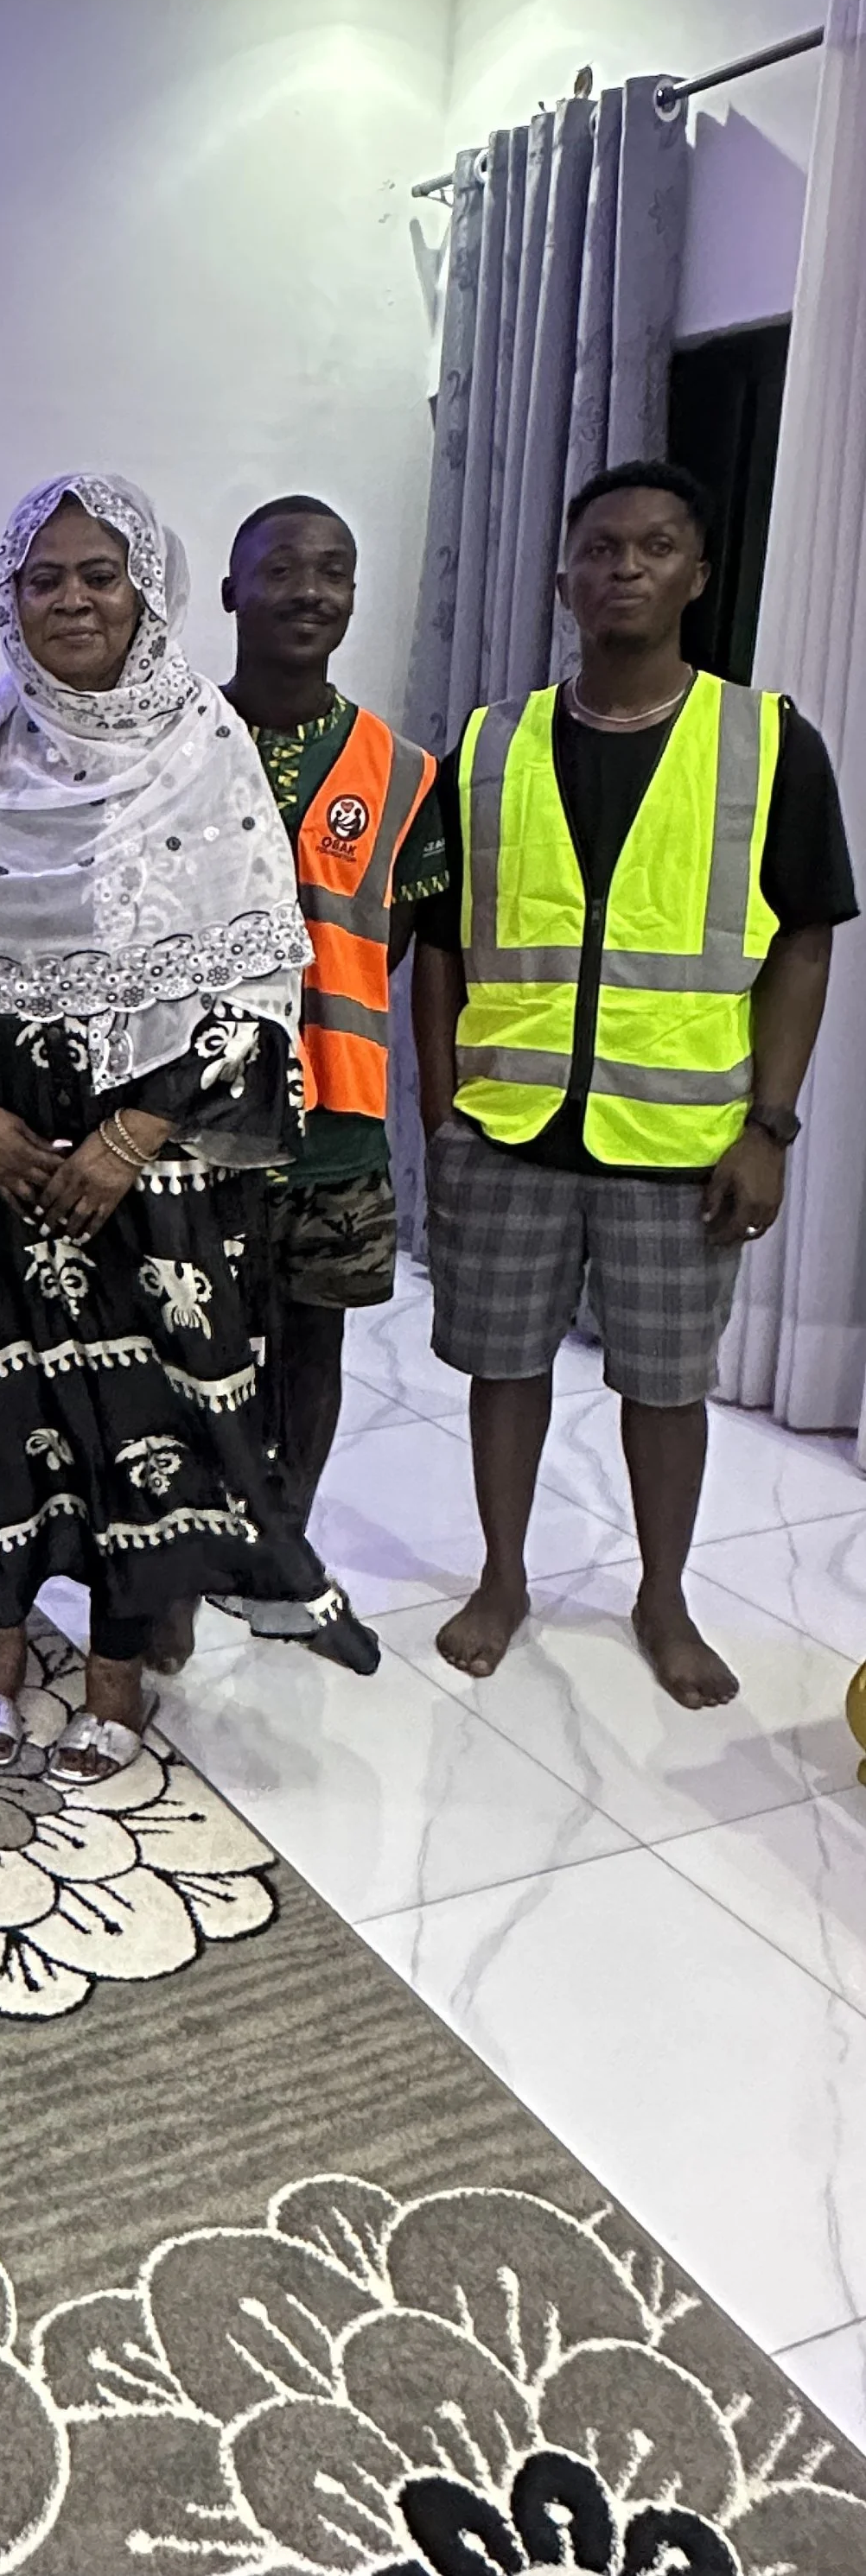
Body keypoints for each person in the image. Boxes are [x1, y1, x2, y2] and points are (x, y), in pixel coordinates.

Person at [0, 472, 379, 1787]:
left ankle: (110, 1659)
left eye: (101, 574)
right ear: (8, 599)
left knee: (128, 1406)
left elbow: (261, 978)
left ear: (145, 589)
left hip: (148, 1166)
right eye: (46, 578)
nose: (73, 599)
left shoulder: (206, 753)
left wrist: (136, 1132)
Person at [413, 460, 856, 1707]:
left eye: (656, 547)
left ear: (698, 575)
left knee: (668, 1385)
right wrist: (442, 1107)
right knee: (503, 1368)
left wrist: (769, 1125)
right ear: (563, 578)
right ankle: (502, 1576)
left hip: (683, 1133)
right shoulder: (490, 744)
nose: (625, 569)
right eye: (601, 549)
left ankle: (663, 1595)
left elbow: (807, 938)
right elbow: (438, 940)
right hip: (510, 1127)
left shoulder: (767, 741)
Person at [220, 495, 445, 1578]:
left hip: (337, 1118)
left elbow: (397, 935)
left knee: (312, 1342)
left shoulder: (403, 773)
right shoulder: (179, 749)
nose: (309, 591)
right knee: (192, 1346)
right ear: (231, 594)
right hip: (188, 1120)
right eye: (281, 570)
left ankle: (281, 1546)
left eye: (334, 572)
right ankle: (183, 1561)